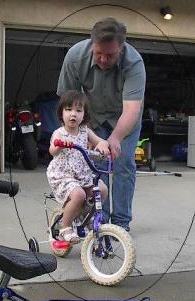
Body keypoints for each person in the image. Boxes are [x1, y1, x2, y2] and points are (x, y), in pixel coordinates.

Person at [57, 17, 146, 231]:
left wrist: (115, 138)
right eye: (99, 53)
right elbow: (67, 102)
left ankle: (121, 223)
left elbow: (132, 109)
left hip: (124, 119)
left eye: (110, 55)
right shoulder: (74, 57)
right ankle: (101, 219)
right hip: (92, 119)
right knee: (96, 166)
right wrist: (76, 133)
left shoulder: (134, 63)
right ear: (92, 44)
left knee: (123, 163)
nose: (104, 59)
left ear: (121, 49)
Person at [47, 90, 110, 243]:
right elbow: (52, 151)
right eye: (68, 110)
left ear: (84, 114)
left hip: (83, 174)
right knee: (79, 195)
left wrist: (102, 146)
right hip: (63, 175)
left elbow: (101, 141)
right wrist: (60, 145)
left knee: (102, 190)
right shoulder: (59, 133)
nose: (73, 114)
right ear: (61, 113)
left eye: (78, 110)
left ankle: (86, 216)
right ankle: (65, 227)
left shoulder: (85, 131)